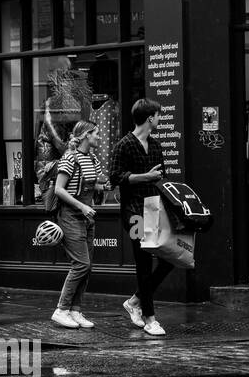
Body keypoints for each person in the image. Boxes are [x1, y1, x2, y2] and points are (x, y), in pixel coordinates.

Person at [110, 98, 172, 336]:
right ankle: (150, 319)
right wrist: (144, 176)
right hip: (134, 213)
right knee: (144, 262)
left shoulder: (156, 146)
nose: (159, 119)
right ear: (149, 118)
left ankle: (135, 301)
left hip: (155, 209)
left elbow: (160, 180)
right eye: (158, 116)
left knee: (170, 258)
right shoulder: (124, 145)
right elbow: (115, 177)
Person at [50, 121, 102, 330]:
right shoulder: (70, 158)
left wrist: (105, 185)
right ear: (86, 135)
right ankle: (61, 310)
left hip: (87, 216)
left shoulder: (93, 158)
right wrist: (82, 206)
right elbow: (59, 190)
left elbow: (92, 184)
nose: (99, 137)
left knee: (87, 266)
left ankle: (75, 311)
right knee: (81, 264)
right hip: (71, 215)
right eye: (96, 134)